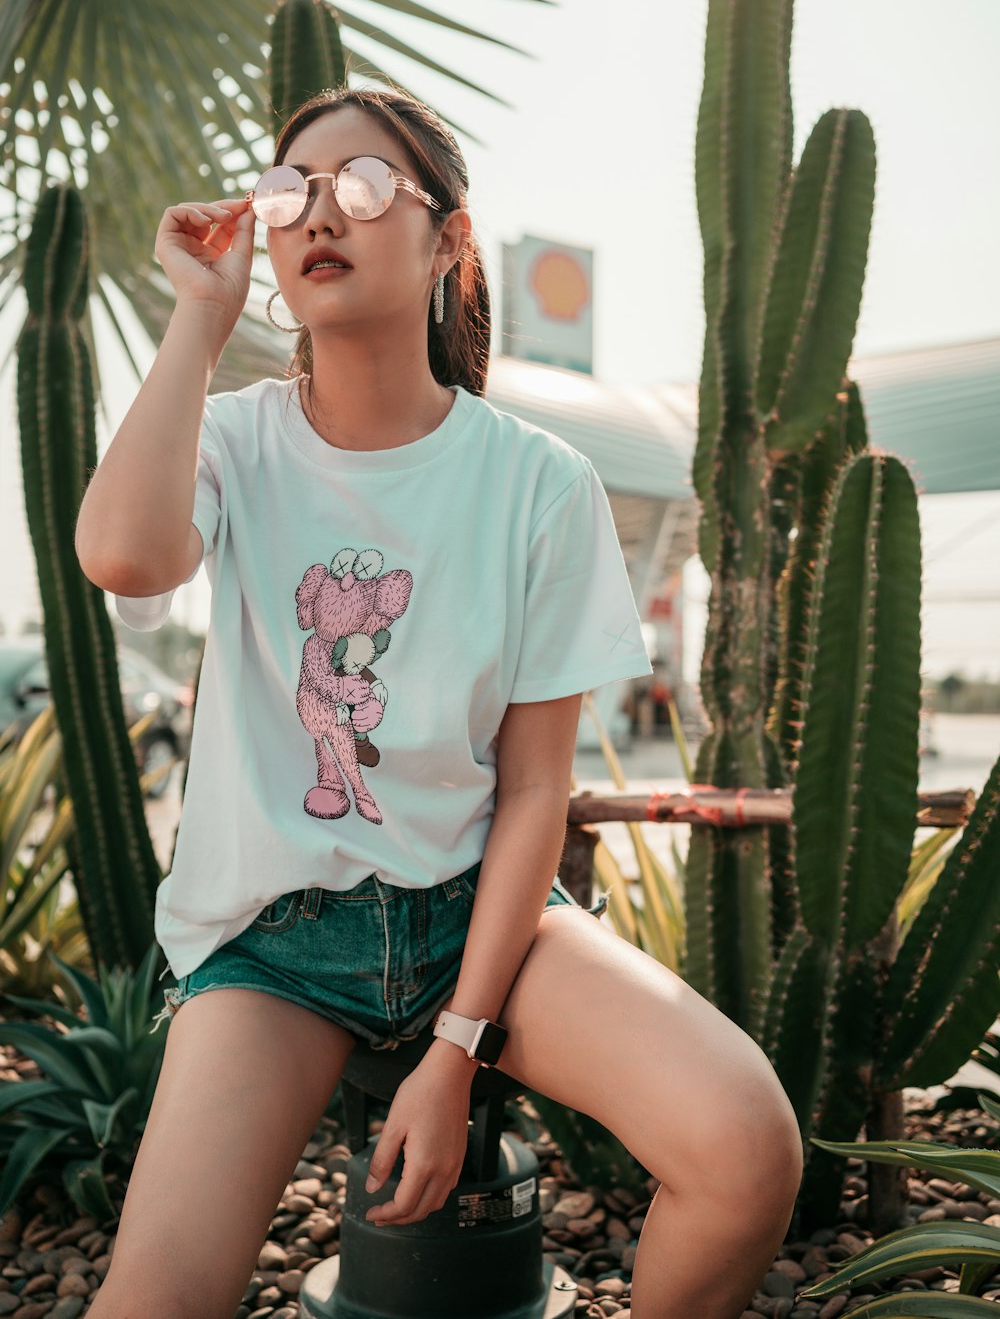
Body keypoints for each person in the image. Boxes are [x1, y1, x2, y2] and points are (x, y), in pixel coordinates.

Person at [75, 85, 803, 1319]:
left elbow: (532, 792)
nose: (320, 212)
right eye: (289, 189)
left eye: (363, 187)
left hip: (481, 919)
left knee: (746, 1147)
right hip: (270, 943)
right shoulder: (234, 440)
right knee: (152, 1300)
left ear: (447, 242)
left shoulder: (537, 483)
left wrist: (456, 1049)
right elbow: (125, 559)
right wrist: (200, 317)